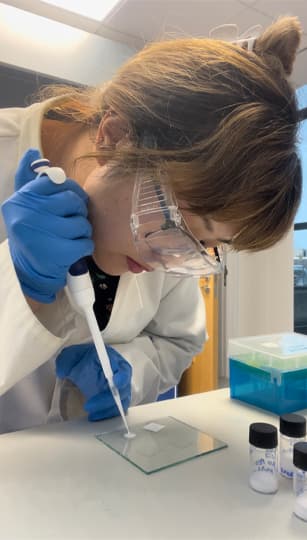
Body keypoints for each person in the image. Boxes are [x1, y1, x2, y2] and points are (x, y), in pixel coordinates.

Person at [0, 16, 303, 433]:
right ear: (115, 135)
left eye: (205, 245)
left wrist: (132, 368)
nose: (170, 260)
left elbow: (179, 339)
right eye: (183, 227)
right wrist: (19, 286)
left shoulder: (169, 241)